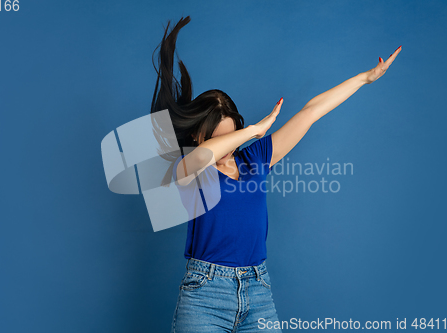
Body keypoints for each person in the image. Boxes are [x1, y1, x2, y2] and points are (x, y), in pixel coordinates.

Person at [150, 15, 401, 333]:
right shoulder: (190, 170)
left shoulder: (254, 159)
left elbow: (310, 112)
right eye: (219, 139)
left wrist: (364, 79)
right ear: (198, 137)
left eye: (234, 134)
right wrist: (252, 130)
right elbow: (203, 156)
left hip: (257, 291)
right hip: (205, 294)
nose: (228, 148)